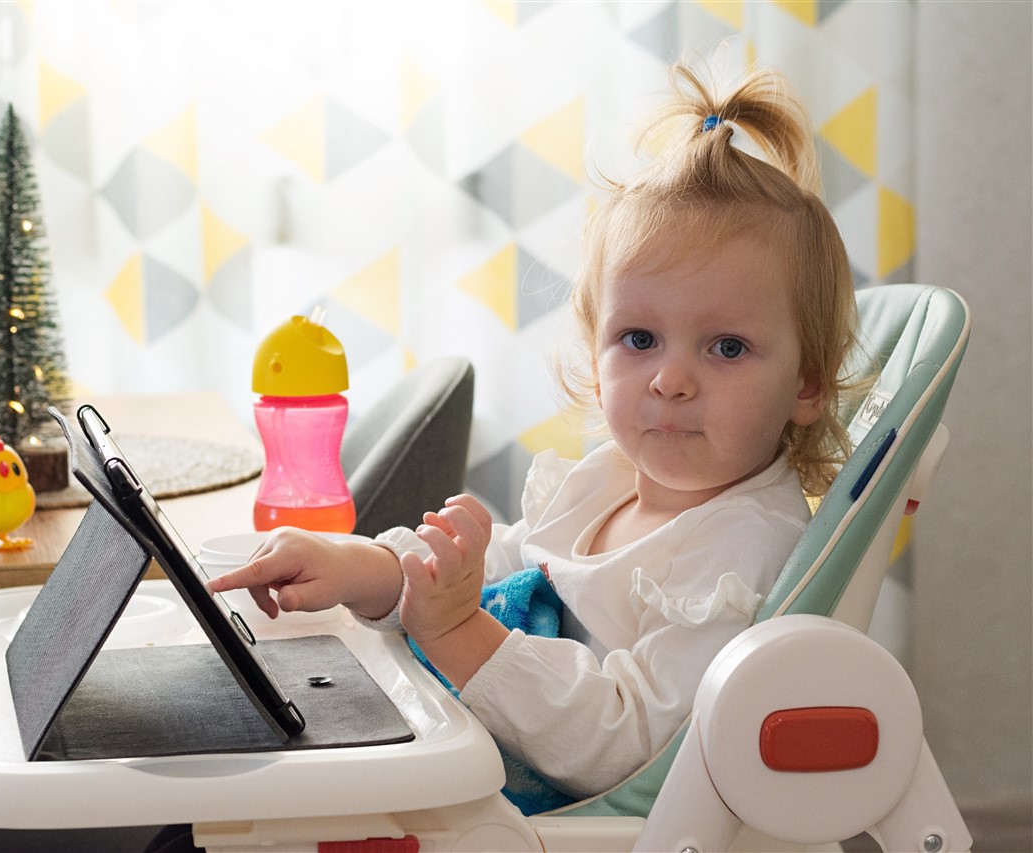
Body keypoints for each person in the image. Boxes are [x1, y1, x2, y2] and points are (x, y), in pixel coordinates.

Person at [209, 59, 860, 813]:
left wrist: (457, 631)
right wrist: (356, 564)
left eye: (726, 348)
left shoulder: (739, 548)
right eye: (640, 337)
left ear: (807, 384)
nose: (671, 380)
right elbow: (494, 572)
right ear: (595, 352)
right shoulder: (608, 479)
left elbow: (629, 745)